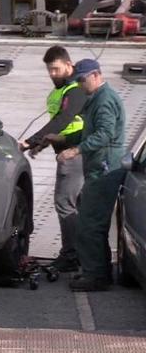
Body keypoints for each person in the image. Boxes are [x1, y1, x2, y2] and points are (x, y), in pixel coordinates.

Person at [56, 58, 126, 291]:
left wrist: (75, 150)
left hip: (104, 169)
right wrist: (64, 140)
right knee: (94, 222)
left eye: (82, 80)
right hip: (100, 168)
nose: (80, 85)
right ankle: (98, 271)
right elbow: (91, 133)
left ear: (96, 75)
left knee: (90, 224)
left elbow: (105, 134)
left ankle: (95, 276)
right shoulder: (96, 98)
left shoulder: (104, 100)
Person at [19, 46, 87, 272]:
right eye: (49, 70)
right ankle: (78, 255)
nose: (52, 74)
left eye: (56, 69)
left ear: (69, 65)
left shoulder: (75, 89)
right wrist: (42, 143)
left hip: (74, 155)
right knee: (74, 206)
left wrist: (32, 140)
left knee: (65, 204)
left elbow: (64, 120)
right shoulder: (63, 89)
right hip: (68, 153)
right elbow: (59, 125)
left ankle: (70, 256)